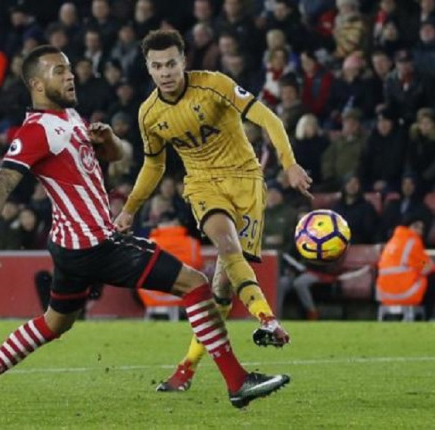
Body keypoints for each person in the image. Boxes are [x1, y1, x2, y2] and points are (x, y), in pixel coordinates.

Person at [0, 45, 289, 412]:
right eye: (59, 70)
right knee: (195, 284)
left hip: (70, 246)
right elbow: (1, 185)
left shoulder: (70, 117)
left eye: (69, 67)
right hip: (96, 243)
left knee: (54, 323)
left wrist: (108, 141)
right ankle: (238, 383)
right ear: (37, 84)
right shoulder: (35, 132)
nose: (70, 74)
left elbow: (118, 156)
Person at [114, 30, 311, 392]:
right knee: (226, 244)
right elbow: (153, 166)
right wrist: (129, 209)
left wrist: (290, 164)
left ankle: (186, 369)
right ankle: (268, 319)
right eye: (157, 66)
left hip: (246, 181)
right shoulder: (149, 114)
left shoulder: (214, 85)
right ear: (148, 68)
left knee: (221, 290)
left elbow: (268, 118)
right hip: (202, 184)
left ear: (184, 61)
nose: (165, 72)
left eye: (171, 63)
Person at [376, 213, 435, 308]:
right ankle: (427, 317)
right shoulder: (413, 241)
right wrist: (428, 265)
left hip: (384, 295)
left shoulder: (392, 241)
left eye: (421, 229)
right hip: (404, 293)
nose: (419, 231)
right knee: (433, 277)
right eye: (416, 227)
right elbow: (424, 265)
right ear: (409, 226)